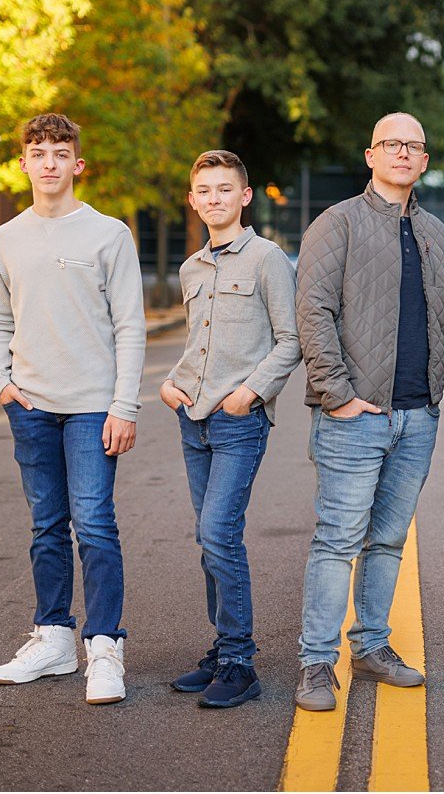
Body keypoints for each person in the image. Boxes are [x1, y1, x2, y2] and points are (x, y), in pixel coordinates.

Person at [292, 112, 444, 712]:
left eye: (415, 146)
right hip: (354, 416)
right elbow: (313, 311)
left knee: (386, 541)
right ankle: (315, 662)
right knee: (338, 540)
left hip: (417, 416)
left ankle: (371, 646)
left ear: (425, 161)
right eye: (392, 144)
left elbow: (443, 317)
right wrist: (336, 396)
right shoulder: (337, 223)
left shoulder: (437, 232)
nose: (403, 154)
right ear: (370, 155)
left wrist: (438, 395)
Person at [0, 112, 145, 706]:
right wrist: (0, 382)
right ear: (23, 162)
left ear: (77, 164)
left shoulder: (109, 235)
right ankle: (53, 638)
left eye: (59, 152)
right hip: (28, 403)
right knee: (46, 526)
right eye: (37, 152)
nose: (48, 162)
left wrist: (123, 405)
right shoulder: (7, 237)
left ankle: (104, 648)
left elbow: (129, 326)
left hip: (91, 408)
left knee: (95, 524)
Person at [160, 150, 301, 708]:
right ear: (192, 201)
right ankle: (222, 651)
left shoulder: (268, 260)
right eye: (204, 190)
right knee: (207, 539)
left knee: (220, 533)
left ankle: (240, 661)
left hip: (238, 420)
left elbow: (290, 341)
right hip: (190, 416)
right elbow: (200, 341)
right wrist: (170, 385)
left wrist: (250, 394)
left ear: (244, 197)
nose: (214, 198)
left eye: (225, 189)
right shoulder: (191, 268)